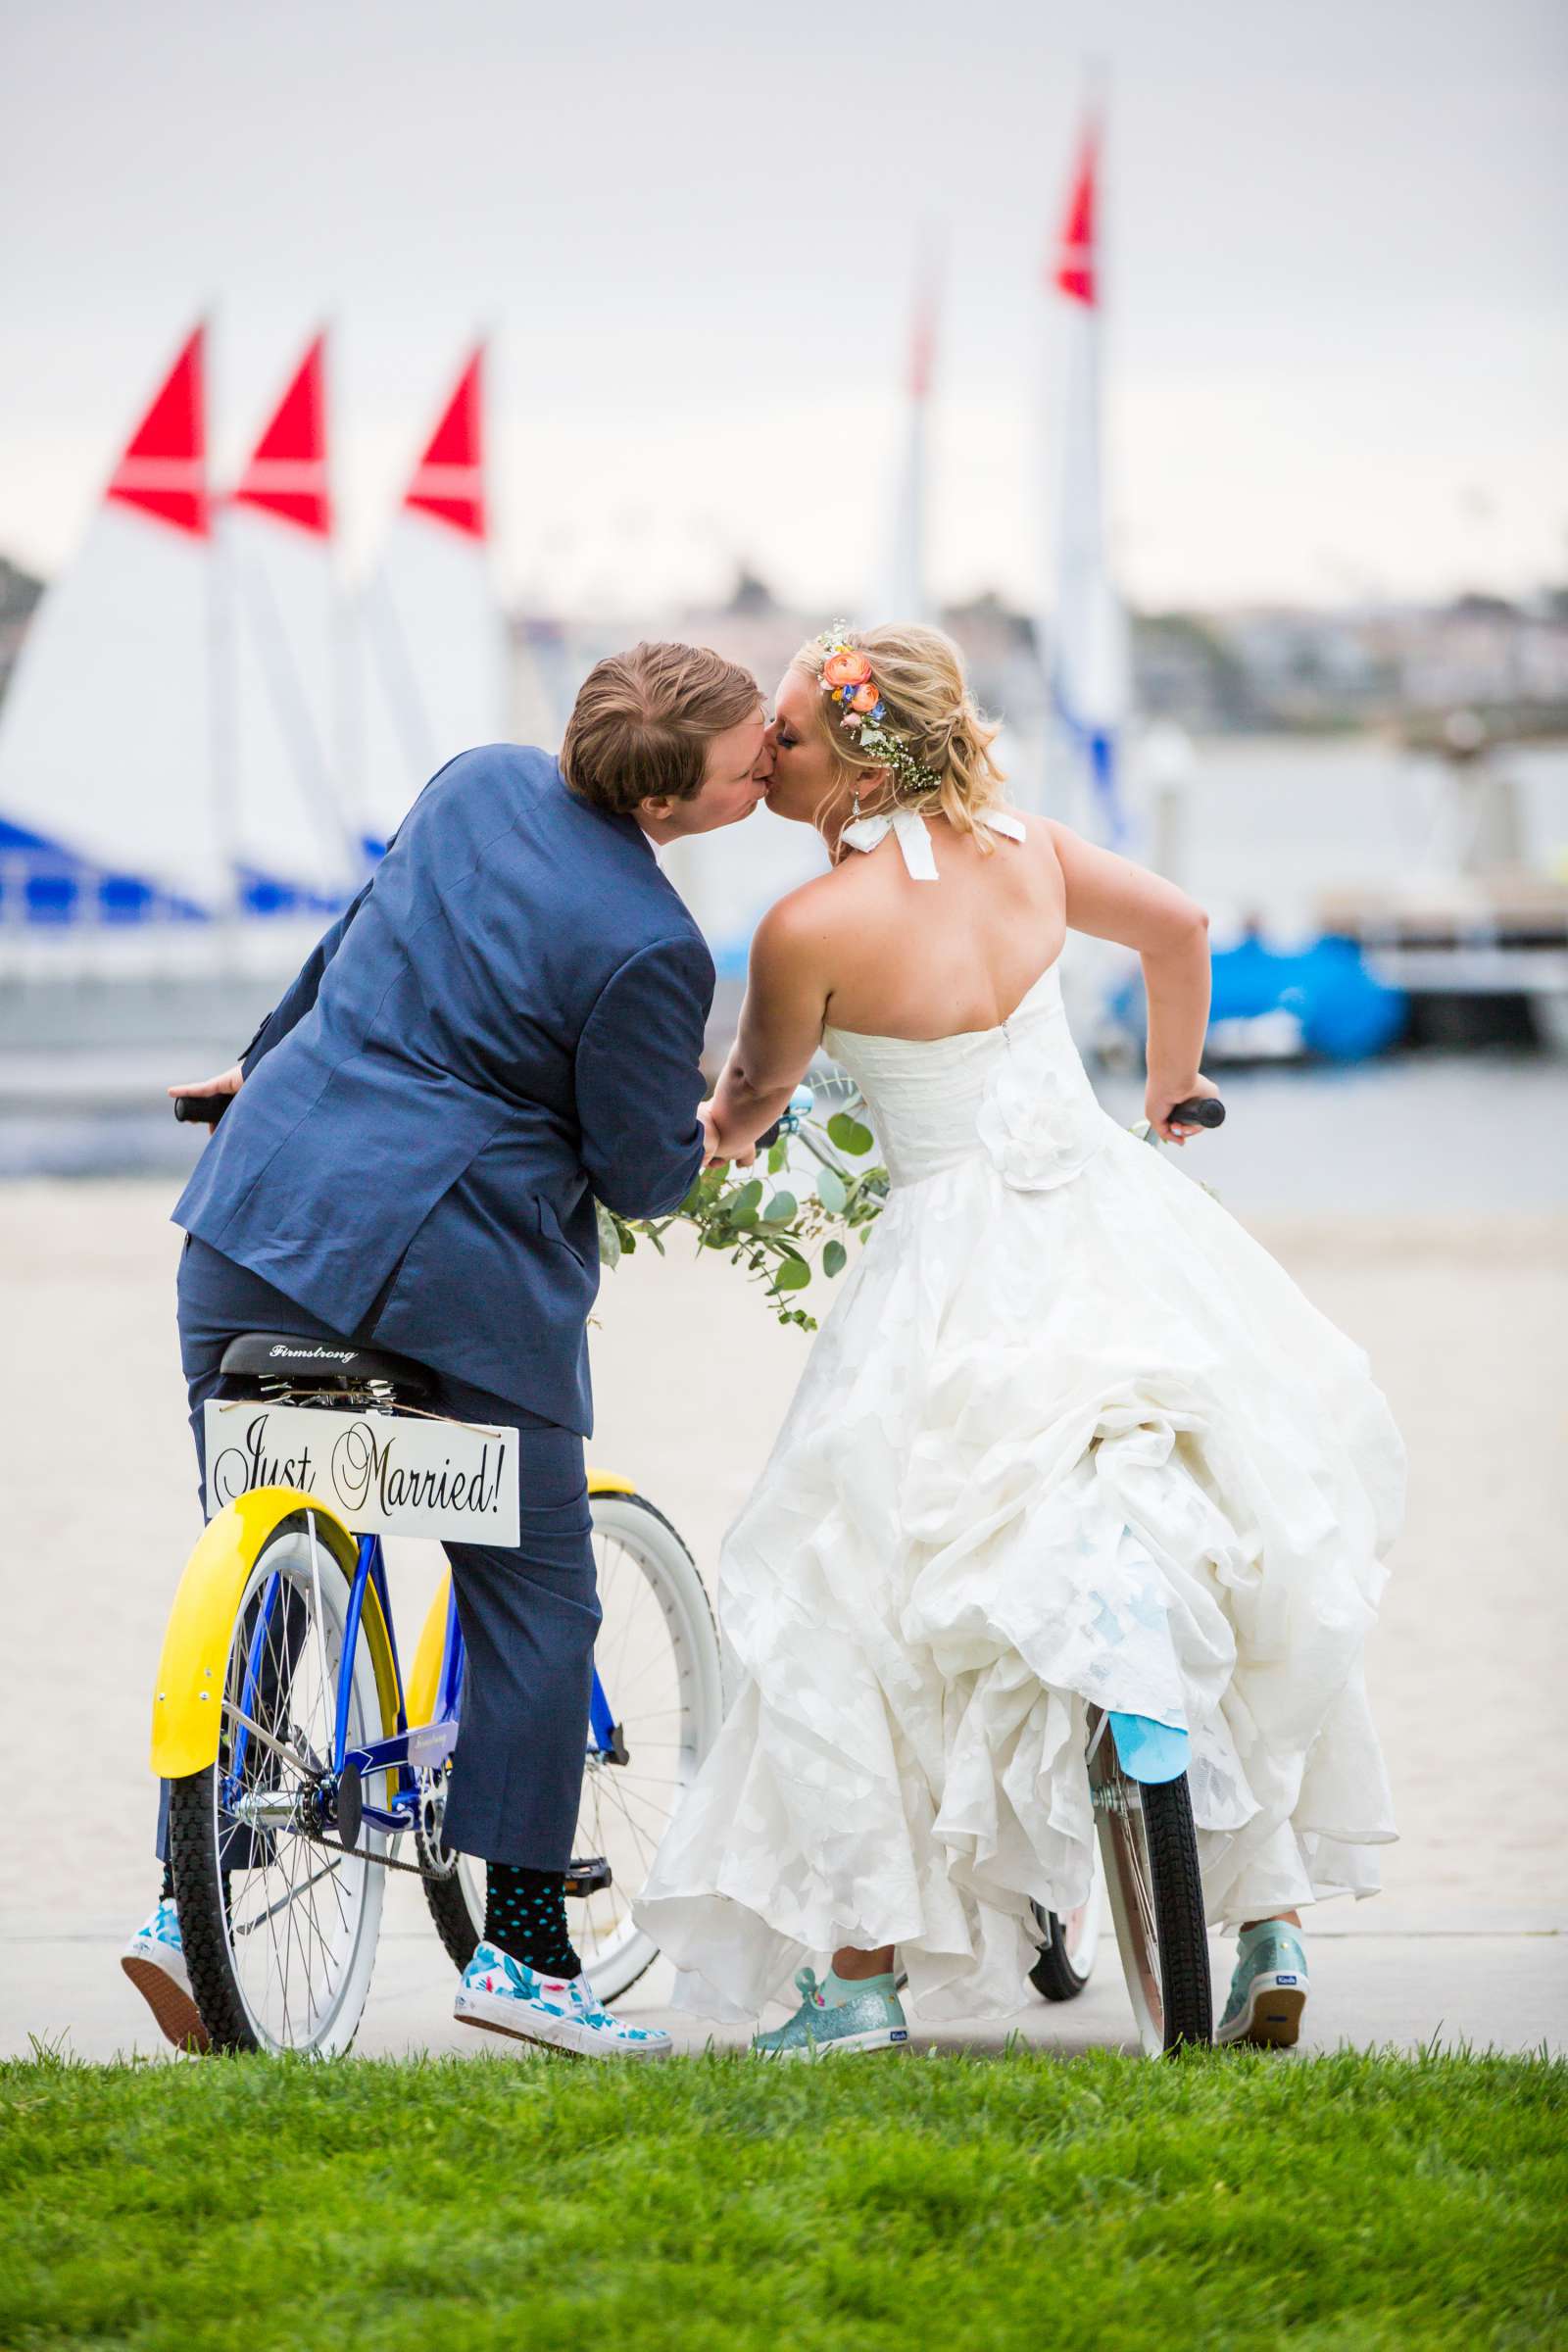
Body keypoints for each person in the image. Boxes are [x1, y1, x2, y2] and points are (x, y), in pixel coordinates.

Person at [636, 622, 1402, 2054]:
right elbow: (1181, 927)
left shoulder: (807, 931)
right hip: (1111, 1227)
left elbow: (745, 1102)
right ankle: (1268, 1920)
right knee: (1211, 1526)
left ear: (859, 759)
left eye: (789, 735)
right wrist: (1175, 1097)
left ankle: (861, 1977)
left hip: (950, 1269)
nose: (766, 754)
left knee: (846, 1582)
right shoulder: (1031, 849)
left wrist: (695, 1151)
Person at [122, 641, 773, 2062]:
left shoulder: (477, 781)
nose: (770, 760)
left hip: (250, 1219)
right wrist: (721, 1135)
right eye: (749, 757)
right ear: (673, 804)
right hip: (448, 1278)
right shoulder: (657, 946)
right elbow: (645, 1177)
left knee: (265, 1543)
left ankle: (191, 1893)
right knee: (535, 1589)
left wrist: (260, 1068)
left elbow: (345, 951)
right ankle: (529, 1956)